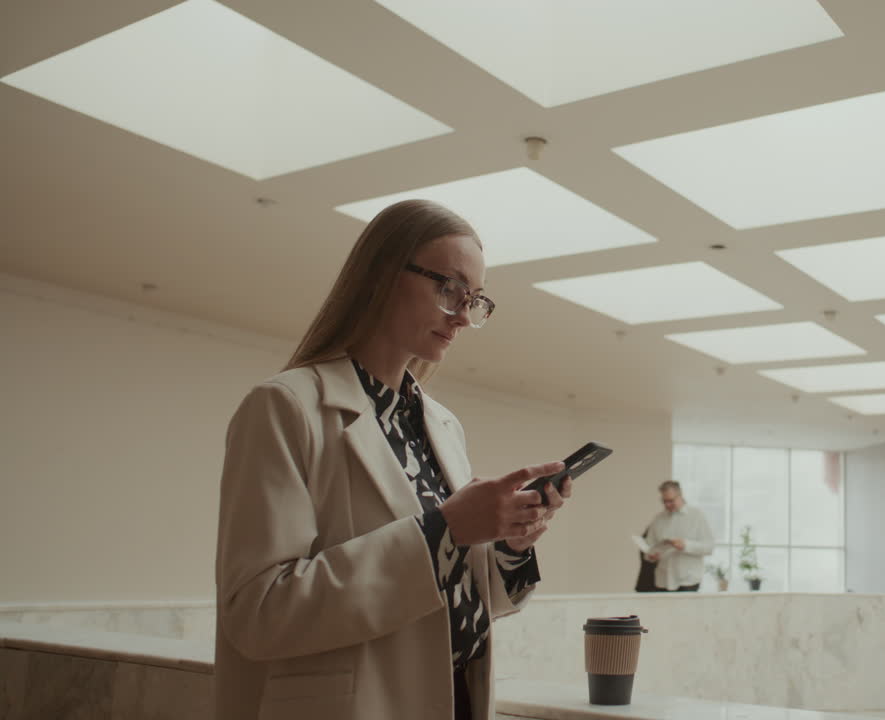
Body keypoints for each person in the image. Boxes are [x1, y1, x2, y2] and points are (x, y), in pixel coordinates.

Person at [214, 199, 572, 720]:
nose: (463, 317)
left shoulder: (442, 426)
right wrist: (443, 531)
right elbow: (259, 612)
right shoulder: (286, 408)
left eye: (474, 300)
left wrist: (509, 545)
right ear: (382, 274)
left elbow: (445, 593)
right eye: (449, 289)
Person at [642, 481, 713, 591]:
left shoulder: (696, 516)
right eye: (664, 501)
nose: (667, 505)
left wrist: (685, 545)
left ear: (680, 496)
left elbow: (709, 547)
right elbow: (648, 546)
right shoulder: (658, 519)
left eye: (670, 501)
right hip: (662, 581)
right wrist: (650, 556)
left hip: (688, 580)